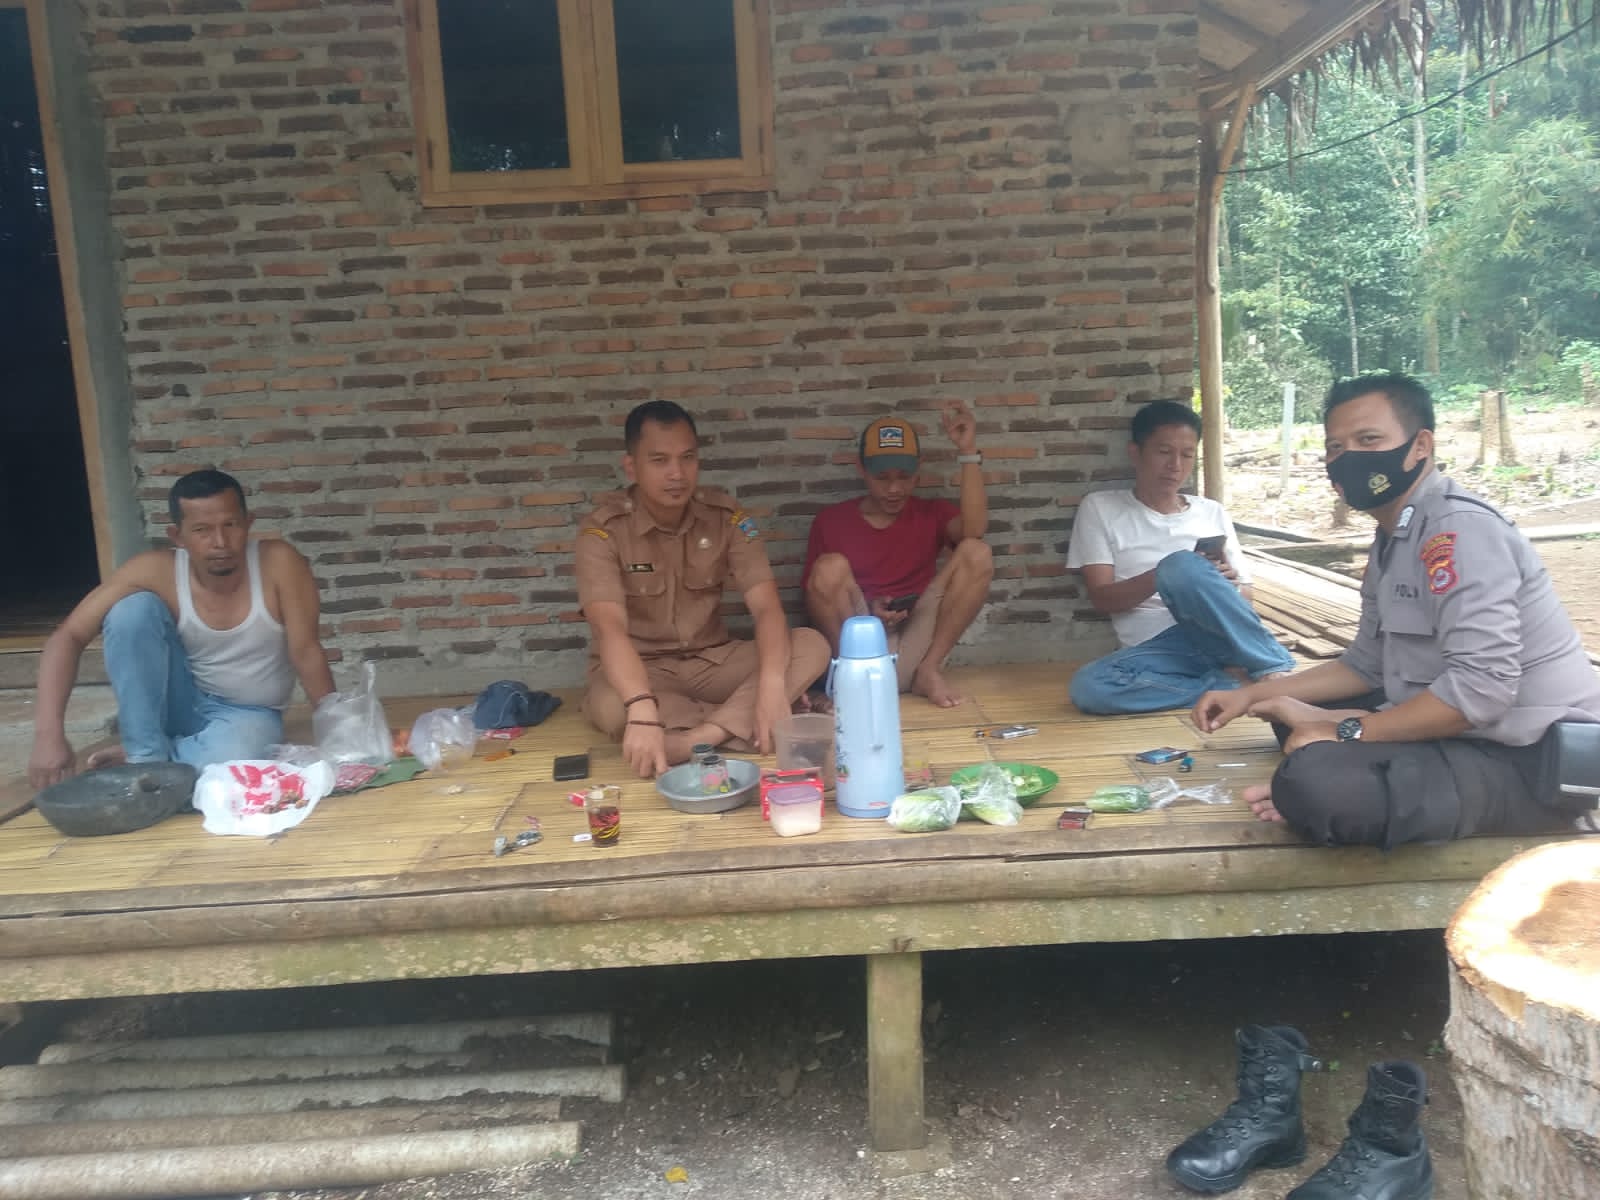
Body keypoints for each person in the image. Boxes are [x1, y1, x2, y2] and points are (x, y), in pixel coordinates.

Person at [1194, 372, 1600, 847]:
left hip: (1531, 759)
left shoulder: (1458, 533)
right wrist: (1252, 695)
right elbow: (1366, 665)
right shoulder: (1394, 536)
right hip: (1461, 727)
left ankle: (1331, 774)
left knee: (1314, 784)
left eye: (1369, 440)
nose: (1347, 458)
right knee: (1289, 723)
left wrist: (1344, 733)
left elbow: (1481, 692)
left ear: (1420, 446)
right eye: (1335, 447)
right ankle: (1337, 759)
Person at [28, 469, 336, 789]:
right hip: (178, 703)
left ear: (248, 523)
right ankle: (147, 757)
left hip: (248, 714)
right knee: (130, 611)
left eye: (230, 525)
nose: (220, 542)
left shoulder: (278, 563)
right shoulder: (155, 570)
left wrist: (338, 734)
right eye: (202, 530)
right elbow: (69, 636)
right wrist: (48, 736)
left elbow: (306, 651)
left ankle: (149, 765)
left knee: (237, 760)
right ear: (178, 536)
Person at [576, 401, 831, 779]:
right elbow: (609, 629)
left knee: (811, 644)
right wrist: (641, 706)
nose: (677, 474)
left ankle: (698, 737)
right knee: (617, 709)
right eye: (659, 461)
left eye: (688, 458)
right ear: (631, 467)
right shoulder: (603, 532)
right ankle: (745, 722)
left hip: (713, 663)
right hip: (642, 670)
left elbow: (766, 607)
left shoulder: (726, 519)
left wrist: (772, 683)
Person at [1065, 399, 1294, 714]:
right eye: (1164, 452)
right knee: (1090, 687)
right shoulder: (1100, 508)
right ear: (1135, 452)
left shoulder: (1211, 511)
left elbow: (1247, 597)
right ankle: (1233, 686)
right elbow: (1102, 599)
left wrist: (1225, 584)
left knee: (1184, 566)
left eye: (1187, 455)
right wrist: (1163, 575)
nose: (1175, 465)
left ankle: (1273, 669)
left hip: (1220, 633)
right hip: (1163, 650)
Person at [802, 402, 993, 708]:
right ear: (861, 470)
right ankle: (846, 680)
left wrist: (968, 451)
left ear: (918, 470)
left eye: (904, 476)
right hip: (860, 647)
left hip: (916, 643)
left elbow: (975, 529)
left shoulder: (931, 513)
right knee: (829, 568)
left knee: (976, 552)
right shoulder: (831, 521)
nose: (894, 488)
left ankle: (929, 671)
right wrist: (870, 611)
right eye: (882, 478)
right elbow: (815, 601)